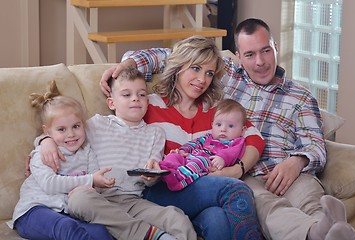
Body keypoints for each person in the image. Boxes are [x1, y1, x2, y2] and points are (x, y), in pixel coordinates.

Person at [99, 19, 355, 240]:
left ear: (276, 48)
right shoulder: (228, 75)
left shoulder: (298, 96)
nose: (260, 62)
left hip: (285, 169)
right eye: (249, 54)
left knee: (311, 201)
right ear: (238, 56)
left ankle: (328, 229)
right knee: (261, 201)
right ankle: (314, 233)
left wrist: (297, 161)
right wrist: (126, 66)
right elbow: (173, 56)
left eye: (266, 51)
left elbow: (312, 144)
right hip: (243, 176)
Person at [39, 36, 265, 240]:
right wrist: (44, 141)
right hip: (165, 190)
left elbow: (253, 137)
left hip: (199, 190)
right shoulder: (150, 104)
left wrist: (238, 168)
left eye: (208, 73)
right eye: (195, 68)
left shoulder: (215, 111)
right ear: (177, 68)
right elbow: (72, 128)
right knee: (235, 190)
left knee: (217, 220)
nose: (201, 79)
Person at [36, 68, 197, 240]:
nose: (135, 98)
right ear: (111, 103)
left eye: (142, 94)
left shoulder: (155, 133)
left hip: (132, 201)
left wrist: (152, 177)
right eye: (126, 95)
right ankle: (145, 234)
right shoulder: (97, 124)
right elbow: (66, 134)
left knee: (177, 218)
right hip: (98, 197)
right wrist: (44, 141)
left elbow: (152, 173)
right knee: (79, 199)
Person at [8, 80, 115, 240]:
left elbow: (96, 185)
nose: (71, 134)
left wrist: (92, 186)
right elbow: (50, 185)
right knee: (66, 227)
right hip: (34, 211)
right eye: (61, 129)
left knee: (101, 231)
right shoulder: (43, 153)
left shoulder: (87, 152)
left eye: (76, 126)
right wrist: (90, 180)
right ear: (47, 131)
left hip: (67, 211)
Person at [160, 98, 247, 191]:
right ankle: (166, 170)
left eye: (230, 126)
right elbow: (195, 143)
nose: (223, 129)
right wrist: (183, 150)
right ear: (212, 125)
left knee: (200, 161)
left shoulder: (237, 142)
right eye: (218, 125)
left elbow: (232, 152)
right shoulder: (207, 137)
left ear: (243, 130)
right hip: (190, 158)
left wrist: (222, 158)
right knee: (174, 155)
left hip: (209, 163)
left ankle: (178, 179)